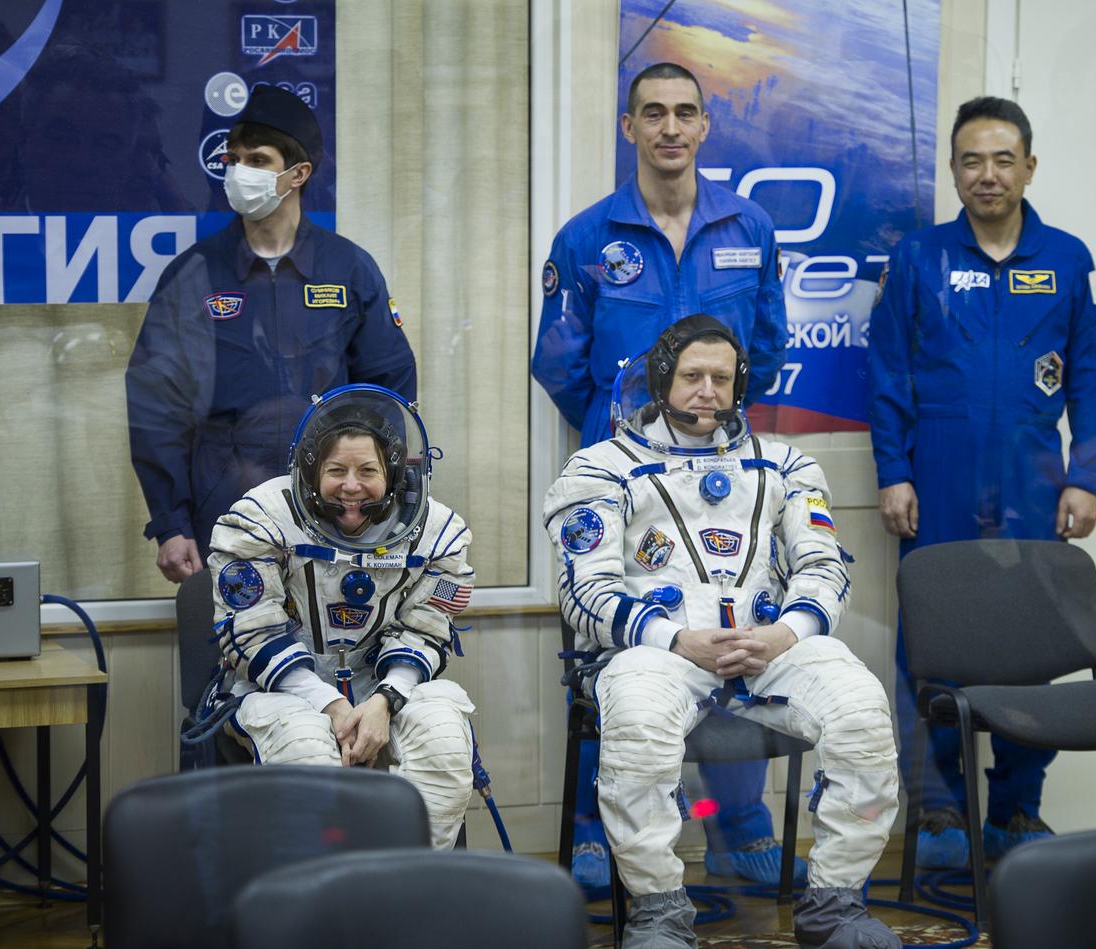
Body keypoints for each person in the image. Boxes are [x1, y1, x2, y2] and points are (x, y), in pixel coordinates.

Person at [545, 316, 900, 949]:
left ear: (739, 385)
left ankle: (835, 903)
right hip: (658, 651)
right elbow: (583, 590)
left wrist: (786, 634)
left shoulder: (785, 464)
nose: (707, 391)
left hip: (768, 647)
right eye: (692, 376)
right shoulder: (600, 468)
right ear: (662, 380)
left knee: (861, 712)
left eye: (721, 378)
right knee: (638, 730)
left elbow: (824, 568)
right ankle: (658, 911)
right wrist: (675, 639)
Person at [532, 61, 792, 889]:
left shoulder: (750, 226)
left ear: (706, 125)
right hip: (622, 481)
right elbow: (558, 362)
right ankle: (595, 826)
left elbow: (768, 347)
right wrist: (629, 436)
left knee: (733, 633)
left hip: (726, 481)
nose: (670, 128)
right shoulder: (586, 238)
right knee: (608, 642)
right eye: (653, 113)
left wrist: (707, 422)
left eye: (685, 113)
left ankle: (734, 821)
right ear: (630, 127)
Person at [867, 96, 1096, 868]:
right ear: (952, 170)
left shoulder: (1069, 260)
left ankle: (1017, 805)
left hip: (1033, 485)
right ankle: (939, 809)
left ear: (1029, 167)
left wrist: (1085, 477)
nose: (988, 174)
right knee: (932, 645)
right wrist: (894, 472)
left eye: (1003, 159)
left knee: (1031, 642)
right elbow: (888, 374)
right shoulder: (919, 258)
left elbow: (1093, 381)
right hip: (937, 479)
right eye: (972, 160)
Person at [126, 85, 416, 583]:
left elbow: (388, 389)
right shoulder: (194, 273)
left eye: (257, 160)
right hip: (224, 504)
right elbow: (157, 406)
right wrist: (170, 523)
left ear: (298, 174)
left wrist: (373, 494)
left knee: (335, 629)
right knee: (234, 630)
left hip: (331, 506)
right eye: (233, 160)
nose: (240, 172)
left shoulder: (348, 269)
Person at [205, 384, 475, 850]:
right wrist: (330, 704)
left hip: (384, 687)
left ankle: (417, 882)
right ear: (311, 471)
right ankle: (325, 891)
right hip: (279, 690)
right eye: (336, 470)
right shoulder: (258, 520)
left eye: (368, 470)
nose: (351, 486)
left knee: (443, 738)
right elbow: (254, 631)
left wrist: (385, 700)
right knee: (305, 749)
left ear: (393, 472)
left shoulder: (438, 534)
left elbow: (426, 627)